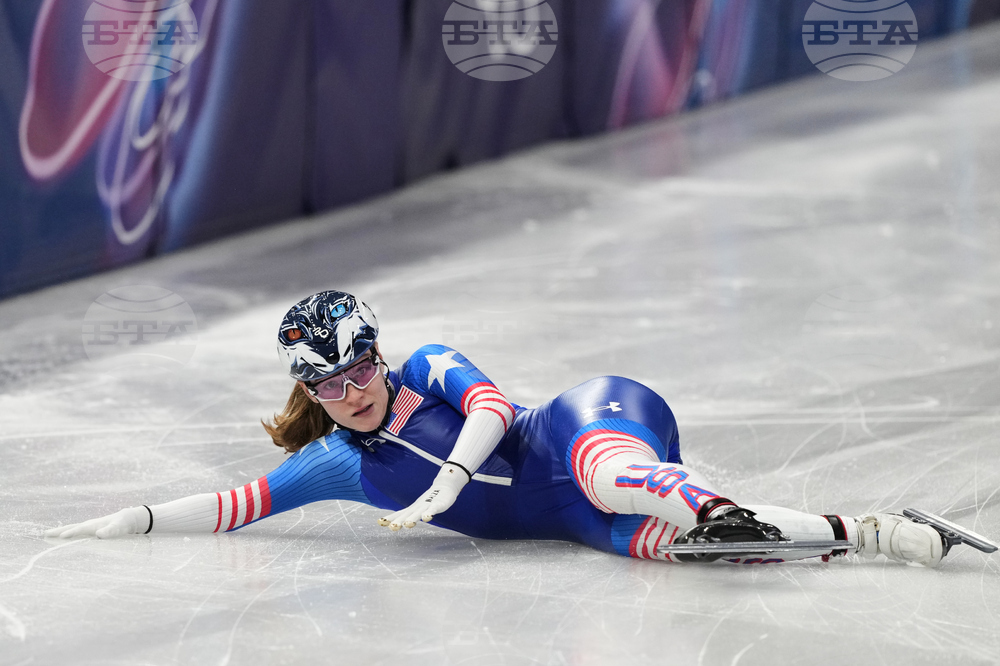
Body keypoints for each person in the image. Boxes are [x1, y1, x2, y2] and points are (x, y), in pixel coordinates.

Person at [46, 290, 952, 566]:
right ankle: (872, 532)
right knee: (695, 554)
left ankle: (708, 503)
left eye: (359, 370)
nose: (352, 392)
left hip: (587, 427)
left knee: (608, 474)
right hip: (575, 524)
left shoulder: (429, 364)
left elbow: (486, 408)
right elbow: (233, 503)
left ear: (380, 356)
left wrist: (443, 487)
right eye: (328, 385)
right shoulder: (332, 464)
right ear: (310, 392)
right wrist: (128, 520)